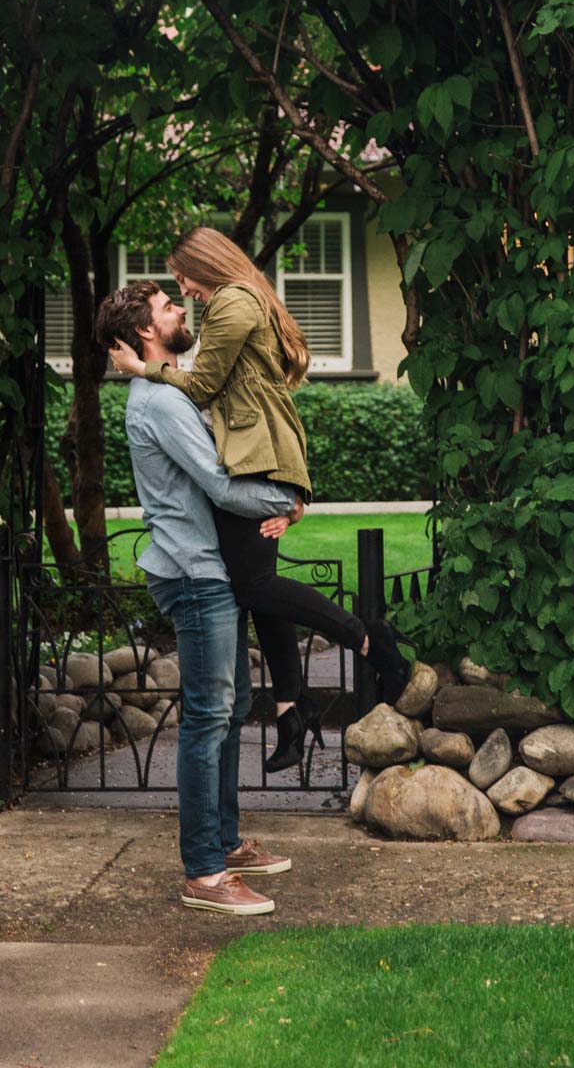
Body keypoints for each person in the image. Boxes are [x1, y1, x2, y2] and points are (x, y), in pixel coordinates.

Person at [109, 225, 412, 771]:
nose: (185, 294)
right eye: (173, 293)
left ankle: (367, 639)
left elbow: (199, 388)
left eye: (183, 281)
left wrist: (142, 369)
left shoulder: (232, 303)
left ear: (204, 266)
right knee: (256, 592)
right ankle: (294, 712)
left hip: (255, 464)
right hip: (254, 462)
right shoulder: (232, 305)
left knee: (255, 585)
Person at [95, 279, 299, 916]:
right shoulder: (158, 402)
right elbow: (219, 484)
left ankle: (227, 842)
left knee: (229, 709)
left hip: (212, 569)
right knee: (209, 716)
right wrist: (289, 500)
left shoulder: (171, 390)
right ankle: (204, 873)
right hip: (194, 572)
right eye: (168, 307)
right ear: (146, 334)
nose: (183, 309)